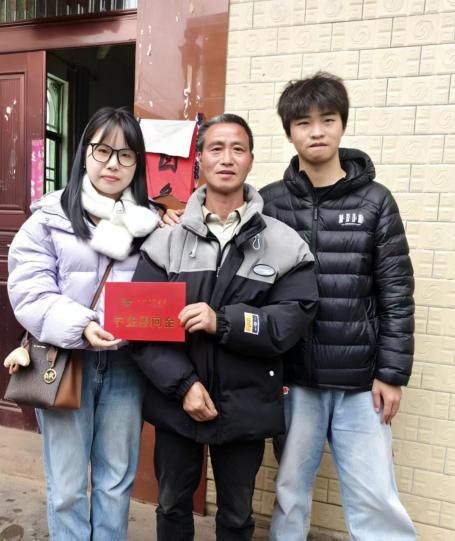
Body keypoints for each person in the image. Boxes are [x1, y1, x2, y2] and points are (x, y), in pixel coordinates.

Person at [163, 73, 416, 540]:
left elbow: (396, 291)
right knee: (291, 491)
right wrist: (177, 217)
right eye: (303, 123)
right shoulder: (269, 204)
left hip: (360, 380)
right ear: (289, 132)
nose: (316, 132)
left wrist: (392, 372)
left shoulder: (375, 202)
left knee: (375, 497)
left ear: (342, 125)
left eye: (328, 120)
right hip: (291, 376)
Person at [131, 114, 319, 541]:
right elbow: (142, 330)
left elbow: (291, 320)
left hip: (246, 403)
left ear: (251, 159)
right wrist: (183, 386)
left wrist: (224, 321)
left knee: (236, 516)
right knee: (171, 505)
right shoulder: (165, 241)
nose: (227, 158)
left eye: (238, 149)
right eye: (216, 148)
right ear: (199, 160)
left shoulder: (283, 243)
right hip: (177, 403)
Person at [5, 106, 159, 540]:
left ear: (137, 164)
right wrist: (81, 325)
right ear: (84, 153)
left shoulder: (152, 226)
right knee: (68, 487)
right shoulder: (48, 219)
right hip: (65, 361)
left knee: (116, 481)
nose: (113, 164)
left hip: (127, 366)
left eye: (126, 155)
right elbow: (30, 290)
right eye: (102, 150)